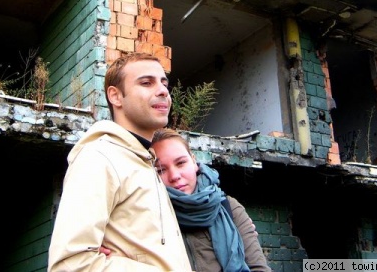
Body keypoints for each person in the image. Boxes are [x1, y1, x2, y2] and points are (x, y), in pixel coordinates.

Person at [48, 53, 192, 271]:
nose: (163, 91)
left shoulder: (144, 161)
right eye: (146, 83)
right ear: (115, 96)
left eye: (164, 83)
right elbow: (70, 264)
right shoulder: (99, 158)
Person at [152, 128, 272, 272]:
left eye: (181, 163)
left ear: (194, 160)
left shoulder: (228, 207)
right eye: (161, 170)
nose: (174, 175)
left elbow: (259, 269)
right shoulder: (152, 218)